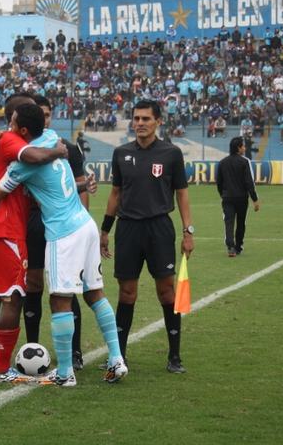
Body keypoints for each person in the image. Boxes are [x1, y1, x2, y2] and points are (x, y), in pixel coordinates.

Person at [0, 103, 127, 387]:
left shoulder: (22, 165)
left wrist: (0, 172)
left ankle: (64, 373)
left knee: (59, 299)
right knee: (94, 293)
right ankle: (116, 359)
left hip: (63, 233)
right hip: (85, 224)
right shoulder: (52, 138)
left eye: (12, 123)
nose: (8, 127)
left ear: (22, 130)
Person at [100, 100, 195, 374]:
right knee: (126, 292)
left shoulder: (171, 153)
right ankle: (119, 356)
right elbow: (115, 193)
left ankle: (174, 356)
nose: (140, 123)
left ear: (158, 122)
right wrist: (105, 230)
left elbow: (182, 194)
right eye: (136, 118)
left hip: (159, 229)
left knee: (166, 291)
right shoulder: (121, 153)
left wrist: (188, 231)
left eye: (145, 119)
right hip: (128, 229)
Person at [0, 95, 67, 383]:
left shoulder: (5, 138)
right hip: (7, 229)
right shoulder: (12, 141)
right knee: (13, 296)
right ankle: (2, 369)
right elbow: (36, 157)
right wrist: (58, 151)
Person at [22, 96, 90, 371]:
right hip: (32, 222)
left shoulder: (68, 148)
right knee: (33, 284)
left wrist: (80, 222)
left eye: (47, 114)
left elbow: (82, 188)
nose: (44, 119)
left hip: (63, 224)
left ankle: (74, 352)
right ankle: (32, 347)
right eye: (40, 114)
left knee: (66, 286)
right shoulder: (22, 150)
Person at [216, 136, 261, 258]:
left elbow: (219, 182)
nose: (245, 148)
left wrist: (222, 194)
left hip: (227, 197)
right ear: (238, 148)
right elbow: (249, 183)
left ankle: (230, 246)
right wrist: (255, 199)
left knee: (229, 221)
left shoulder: (222, 162)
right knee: (241, 222)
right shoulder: (245, 162)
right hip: (241, 198)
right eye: (243, 146)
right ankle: (238, 246)